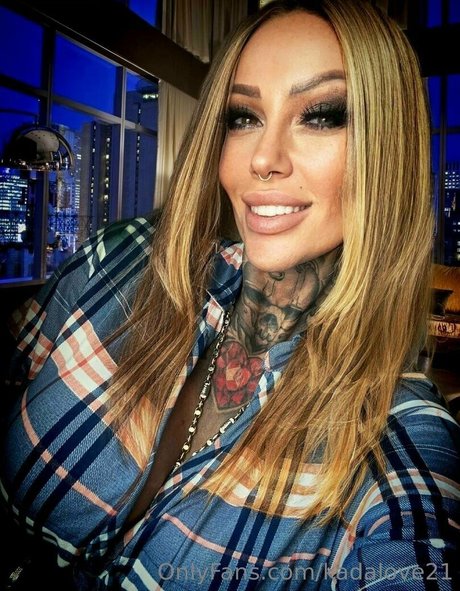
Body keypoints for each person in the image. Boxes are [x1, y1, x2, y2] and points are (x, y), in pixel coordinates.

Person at [1, 0, 459, 589]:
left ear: (388, 151)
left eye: (322, 115)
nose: (262, 159)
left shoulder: (396, 436)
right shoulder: (124, 260)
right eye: (243, 117)